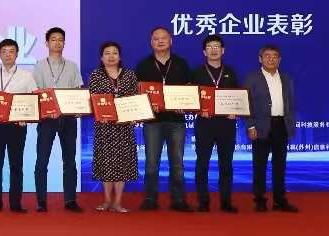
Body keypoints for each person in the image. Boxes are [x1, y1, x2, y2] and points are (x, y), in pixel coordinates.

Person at [134, 26, 193, 212]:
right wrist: (145, 105)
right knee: (151, 162)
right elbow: (138, 92)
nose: (160, 41)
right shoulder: (143, 65)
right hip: (153, 122)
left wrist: (186, 104)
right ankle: (150, 199)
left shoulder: (181, 63)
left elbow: (189, 89)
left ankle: (178, 200)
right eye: (156, 38)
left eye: (164, 38)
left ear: (171, 41)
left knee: (177, 163)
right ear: (151, 43)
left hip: (176, 121)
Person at [0, 37, 37, 212]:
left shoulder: (26, 76)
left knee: (16, 164)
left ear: (17, 54)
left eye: (11, 51)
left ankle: (15, 203)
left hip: (17, 126)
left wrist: (25, 116)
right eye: (4, 52)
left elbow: (32, 100)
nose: (8, 55)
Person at [33, 26, 84, 212]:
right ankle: (41, 202)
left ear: (64, 43)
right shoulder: (39, 66)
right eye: (53, 39)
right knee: (42, 161)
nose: (57, 43)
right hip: (47, 119)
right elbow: (36, 92)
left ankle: (70, 200)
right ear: (47, 43)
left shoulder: (72, 66)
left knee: (70, 161)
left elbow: (78, 91)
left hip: (68, 119)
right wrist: (49, 109)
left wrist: (80, 108)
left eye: (60, 39)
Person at [244, 44, 299, 213]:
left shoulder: (286, 78)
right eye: (267, 56)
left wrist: (290, 124)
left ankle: (279, 200)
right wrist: (250, 125)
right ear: (260, 59)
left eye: (275, 56)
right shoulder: (252, 78)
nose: (271, 59)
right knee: (259, 165)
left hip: (281, 125)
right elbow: (246, 104)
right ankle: (260, 200)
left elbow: (290, 104)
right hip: (260, 126)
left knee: (280, 165)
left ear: (279, 60)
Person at [87, 41, 140, 213]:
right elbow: (93, 99)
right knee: (106, 163)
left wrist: (134, 115)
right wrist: (100, 114)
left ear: (120, 57)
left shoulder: (130, 75)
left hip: (124, 128)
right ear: (102, 58)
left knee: (122, 164)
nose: (111, 56)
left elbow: (135, 98)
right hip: (105, 128)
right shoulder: (96, 75)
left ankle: (117, 202)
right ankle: (107, 200)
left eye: (115, 53)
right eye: (107, 53)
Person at [191, 34, 241, 213]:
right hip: (205, 124)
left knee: (226, 164)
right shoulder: (196, 73)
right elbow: (190, 98)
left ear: (223, 50)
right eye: (210, 47)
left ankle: (226, 202)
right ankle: (203, 202)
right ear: (204, 52)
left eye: (217, 46)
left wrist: (236, 111)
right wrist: (198, 110)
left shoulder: (231, 72)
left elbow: (238, 97)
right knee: (202, 163)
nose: (213, 50)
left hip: (226, 124)